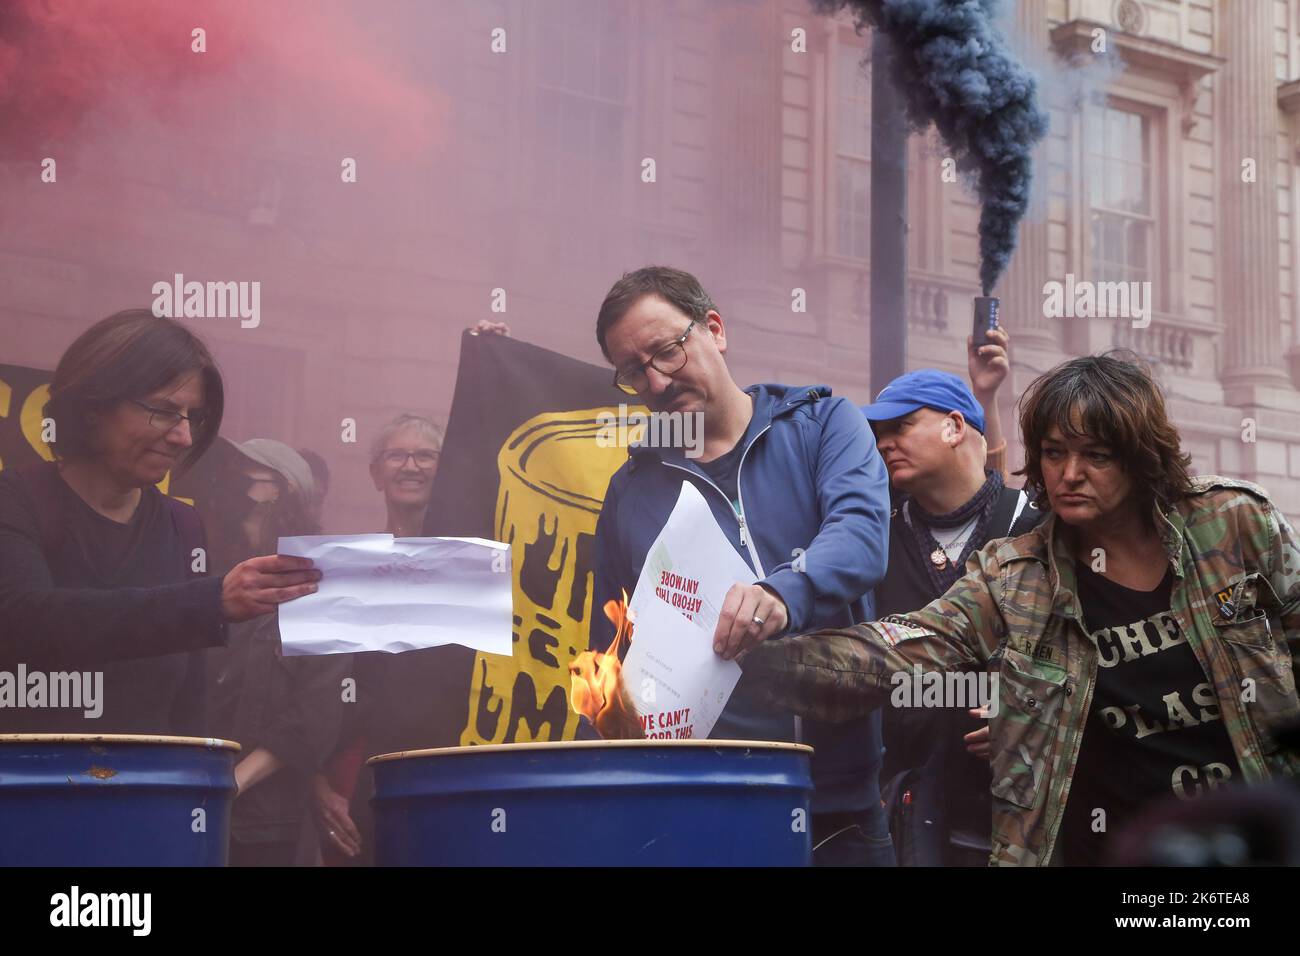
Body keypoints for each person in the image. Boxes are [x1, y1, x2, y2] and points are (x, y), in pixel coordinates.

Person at [738, 352, 1300, 866]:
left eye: (1095, 455)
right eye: (1054, 453)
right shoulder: (1016, 573)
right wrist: (746, 662)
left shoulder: (1233, 524)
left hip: (1253, 841)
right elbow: (904, 646)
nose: (1068, 474)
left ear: (1139, 455)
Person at [590, 266, 893, 866]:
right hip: (701, 802)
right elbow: (612, 650)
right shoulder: (629, 490)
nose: (656, 380)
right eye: (633, 372)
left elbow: (860, 537)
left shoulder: (823, 424)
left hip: (839, 805)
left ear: (715, 329)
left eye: (667, 351)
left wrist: (782, 594)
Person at [0, 310, 320, 734]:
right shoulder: (16, 500)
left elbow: (188, 698)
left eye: (193, 417)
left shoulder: (182, 525)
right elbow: (25, 621)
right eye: (163, 411)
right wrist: (208, 602)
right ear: (94, 405)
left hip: (145, 792)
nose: (183, 436)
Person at [867, 329, 1046, 865]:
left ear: (952, 426)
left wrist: (1028, 716)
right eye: (878, 433)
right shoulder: (874, 535)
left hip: (1017, 810)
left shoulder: (1035, 526)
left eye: (901, 426)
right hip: (905, 809)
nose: (883, 443)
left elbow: (1080, 654)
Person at [311, 412, 451, 865]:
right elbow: (306, 688)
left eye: (426, 456)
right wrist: (316, 784)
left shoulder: (474, 567)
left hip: (452, 773)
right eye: (397, 455)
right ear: (376, 473)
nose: (410, 466)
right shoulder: (344, 569)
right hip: (357, 780)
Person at [202, 439, 349, 867]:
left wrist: (232, 784)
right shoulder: (209, 578)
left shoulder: (316, 590)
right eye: (228, 478)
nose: (232, 490)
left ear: (282, 493)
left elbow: (314, 718)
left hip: (264, 826)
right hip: (190, 806)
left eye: (248, 480)